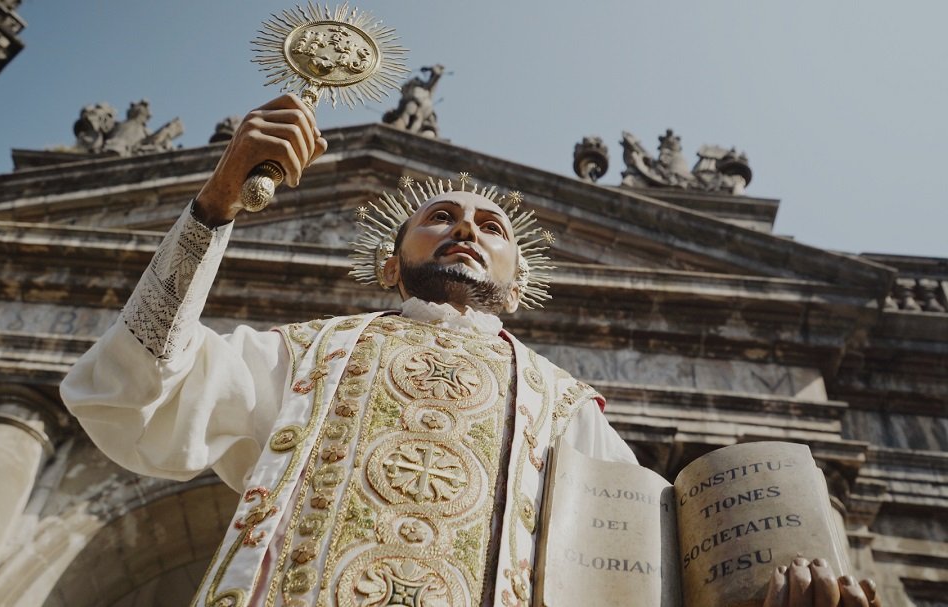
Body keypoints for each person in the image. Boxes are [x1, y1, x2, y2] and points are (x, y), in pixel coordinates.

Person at [60, 95, 880, 607]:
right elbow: (132, 390)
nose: (464, 229)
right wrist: (213, 206)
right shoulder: (301, 356)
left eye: (490, 226)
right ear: (391, 262)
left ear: (517, 285)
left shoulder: (566, 410)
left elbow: (642, 582)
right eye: (441, 216)